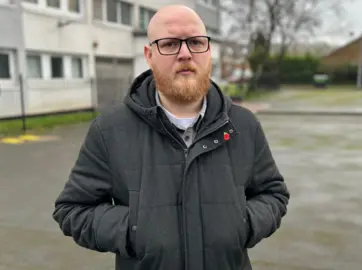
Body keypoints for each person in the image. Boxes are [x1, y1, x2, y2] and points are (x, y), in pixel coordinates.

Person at [52, 4, 289, 270]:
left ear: (209, 51)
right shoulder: (109, 130)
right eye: (170, 43)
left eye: (196, 42)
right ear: (149, 54)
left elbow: (273, 194)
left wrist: (242, 223)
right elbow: (72, 210)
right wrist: (133, 230)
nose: (186, 53)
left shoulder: (244, 125)